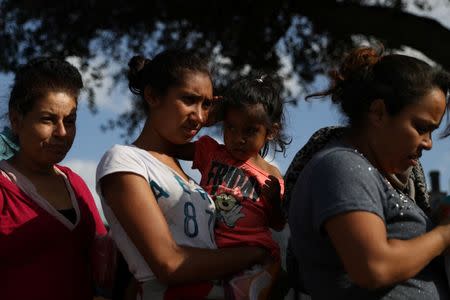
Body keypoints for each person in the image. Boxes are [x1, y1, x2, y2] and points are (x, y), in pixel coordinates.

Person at [95, 49, 268, 300]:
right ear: (153, 96)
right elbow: (170, 264)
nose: (199, 116)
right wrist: (255, 253)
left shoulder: (187, 173)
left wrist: (224, 111)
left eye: (206, 104)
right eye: (189, 100)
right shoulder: (124, 160)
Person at [288, 46, 450, 299]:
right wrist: (443, 234)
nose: (428, 143)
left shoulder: (371, 173)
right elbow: (374, 268)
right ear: (378, 112)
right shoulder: (341, 166)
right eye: (421, 127)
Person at [172, 74, 290, 299]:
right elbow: (172, 145)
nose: (238, 138)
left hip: (254, 258)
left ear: (271, 131)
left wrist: (274, 200)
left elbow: (277, 223)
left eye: (250, 131)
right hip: (208, 251)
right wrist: (206, 116)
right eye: (230, 128)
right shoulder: (211, 152)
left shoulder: (272, 175)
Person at [0, 57, 107, 300]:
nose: (61, 133)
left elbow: (101, 255)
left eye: (70, 121)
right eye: (48, 119)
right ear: (16, 120)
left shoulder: (75, 184)